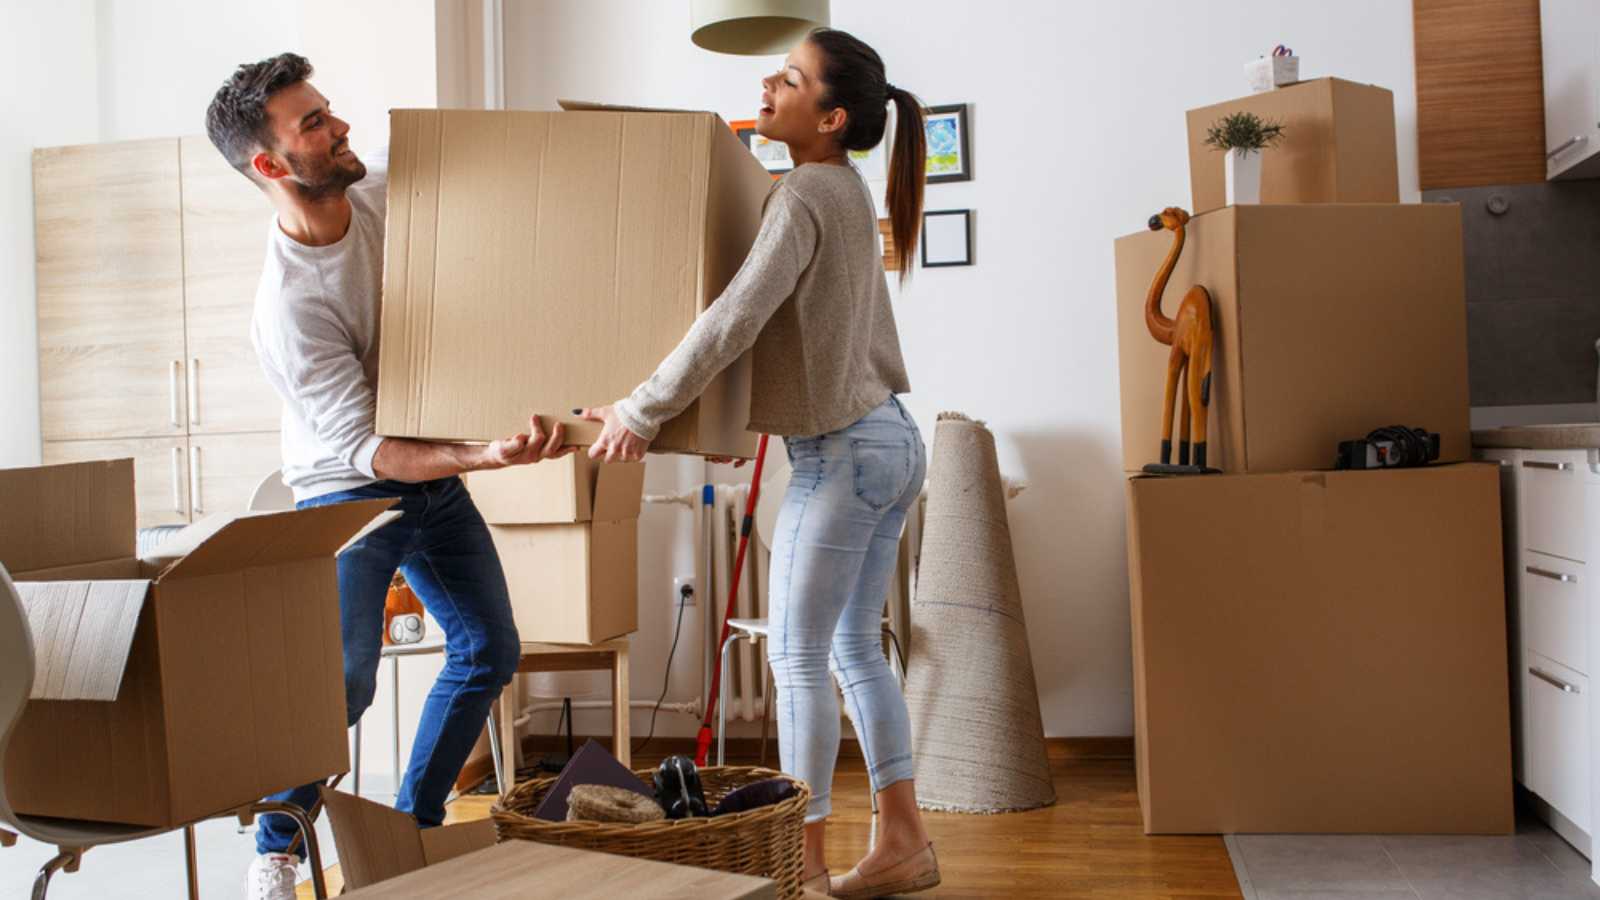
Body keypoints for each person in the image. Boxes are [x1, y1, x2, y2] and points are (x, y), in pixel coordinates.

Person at [581, 28, 938, 900]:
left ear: (832, 115)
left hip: (845, 456)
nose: (768, 85)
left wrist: (641, 409)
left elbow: (732, 318)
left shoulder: (806, 193)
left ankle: (801, 868)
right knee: (853, 646)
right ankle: (905, 844)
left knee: (799, 660)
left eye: (790, 78)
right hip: (890, 442)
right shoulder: (841, 189)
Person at [205, 53, 569, 900]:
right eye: (315, 125)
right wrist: (483, 455)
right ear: (269, 165)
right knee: (343, 679)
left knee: (489, 648)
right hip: (348, 489)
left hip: (428, 473)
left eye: (329, 112)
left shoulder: (376, 194)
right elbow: (370, 451)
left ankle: (409, 828)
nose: (340, 129)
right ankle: (278, 845)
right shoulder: (290, 308)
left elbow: (481, 169)